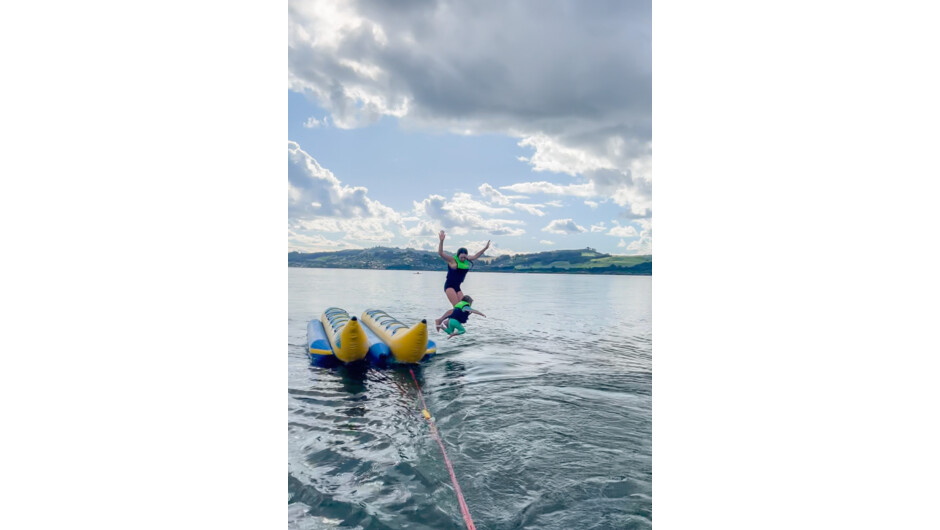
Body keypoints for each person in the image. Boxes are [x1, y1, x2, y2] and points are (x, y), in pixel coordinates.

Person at [438, 230, 490, 307]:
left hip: (457, 287)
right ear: (458, 255)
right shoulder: (452, 260)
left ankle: (447, 319)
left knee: (464, 306)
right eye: (461, 257)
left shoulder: (466, 259)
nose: (463, 259)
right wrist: (441, 241)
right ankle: (442, 319)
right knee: (457, 307)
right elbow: (441, 253)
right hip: (449, 286)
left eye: (465, 257)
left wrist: (485, 248)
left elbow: (476, 255)